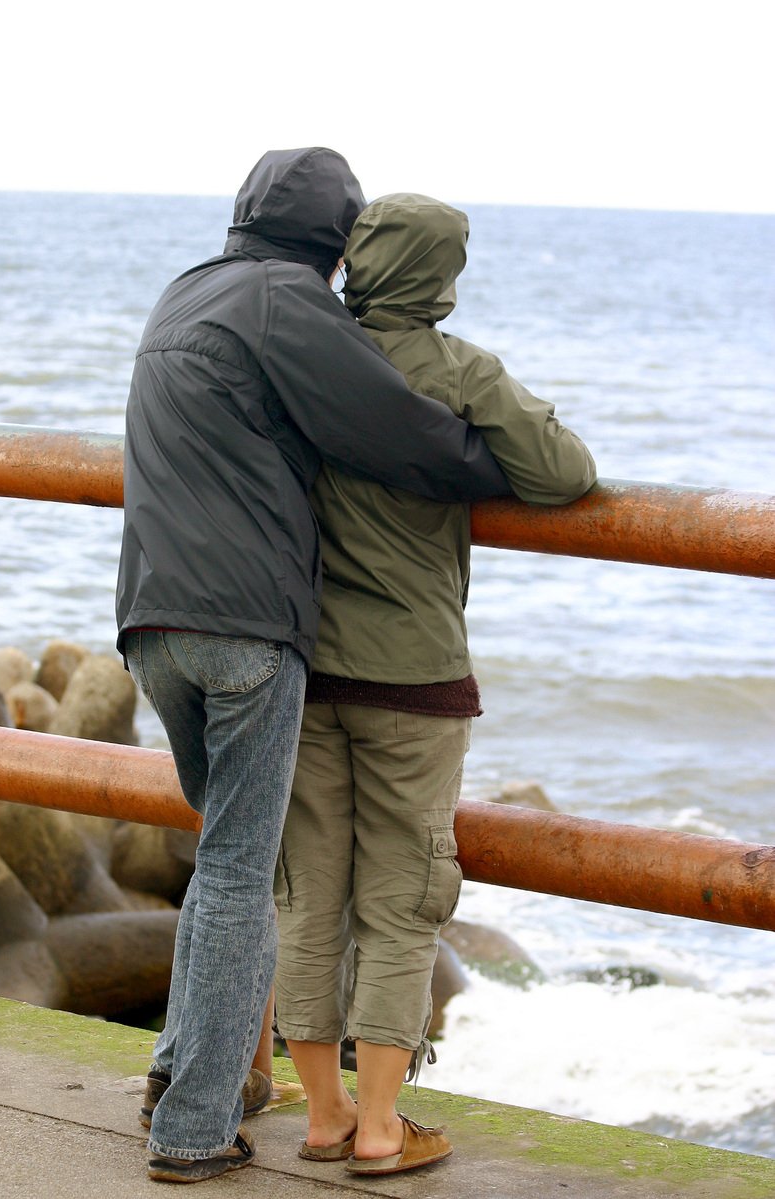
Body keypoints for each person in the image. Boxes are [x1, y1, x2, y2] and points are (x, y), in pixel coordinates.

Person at [115, 151, 514, 1184]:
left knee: (223, 864)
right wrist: (481, 469)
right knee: (244, 873)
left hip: (151, 620)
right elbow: (394, 428)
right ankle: (194, 1125)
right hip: (246, 628)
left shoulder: (189, 287)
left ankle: (181, 1073)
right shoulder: (289, 301)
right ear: (335, 245)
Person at [273, 192, 597, 1176]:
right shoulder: (456, 370)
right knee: (404, 900)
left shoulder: (306, 363)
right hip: (412, 677)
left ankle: (322, 1113)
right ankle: (379, 1128)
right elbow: (564, 472)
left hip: (303, 664)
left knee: (309, 893)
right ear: (444, 276)